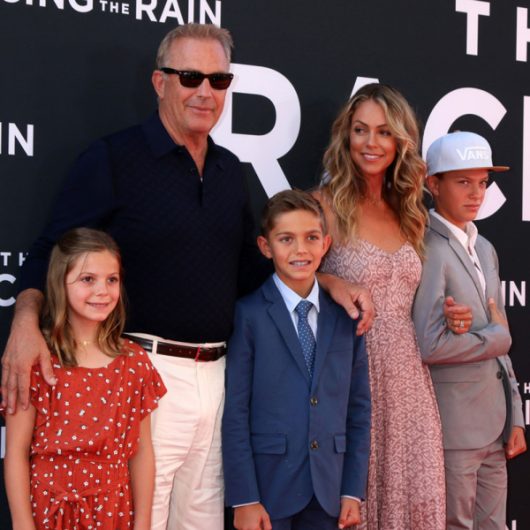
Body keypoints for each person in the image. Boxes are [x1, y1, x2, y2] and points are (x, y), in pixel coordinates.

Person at [1, 23, 374, 530]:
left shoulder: (228, 170)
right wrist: (25, 323)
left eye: (218, 80)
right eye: (190, 77)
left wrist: (324, 282)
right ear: (160, 82)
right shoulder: (113, 159)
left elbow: (250, 271)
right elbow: (50, 250)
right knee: (143, 519)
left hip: (220, 377)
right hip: (143, 375)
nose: (205, 92)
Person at [316, 83, 446, 529]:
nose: (371, 142)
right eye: (361, 130)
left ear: (400, 142)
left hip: (410, 381)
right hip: (353, 372)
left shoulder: (411, 213)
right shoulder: (323, 206)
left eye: (384, 132)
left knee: (415, 499)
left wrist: (452, 316)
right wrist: (331, 280)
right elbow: (285, 279)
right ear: (346, 135)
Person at [222, 189, 371, 530]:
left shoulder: (345, 317)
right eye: (286, 239)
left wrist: (352, 490)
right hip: (268, 489)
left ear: (326, 243)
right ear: (265, 246)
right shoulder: (248, 315)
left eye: (311, 238)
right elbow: (235, 412)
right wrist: (244, 498)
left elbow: (358, 409)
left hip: (329, 490)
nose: (300, 249)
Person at [4, 228, 166, 530]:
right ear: (59, 283)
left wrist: (143, 521)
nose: (102, 290)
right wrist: (22, 523)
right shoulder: (36, 360)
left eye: (111, 279)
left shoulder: (134, 363)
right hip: (48, 509)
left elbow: (142, 452)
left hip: (112, 511)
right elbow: (16, 451)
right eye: (88, 279)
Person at [412, 131, 526, 530]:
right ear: (433, 184)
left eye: (482, 182)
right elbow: (429, 344)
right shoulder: (427, 247)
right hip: (454, 429)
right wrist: (495, 337)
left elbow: (500, 340)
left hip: (496, 422)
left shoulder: (485, 248)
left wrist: (516, 415)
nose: (476, 193)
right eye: (463, 182)